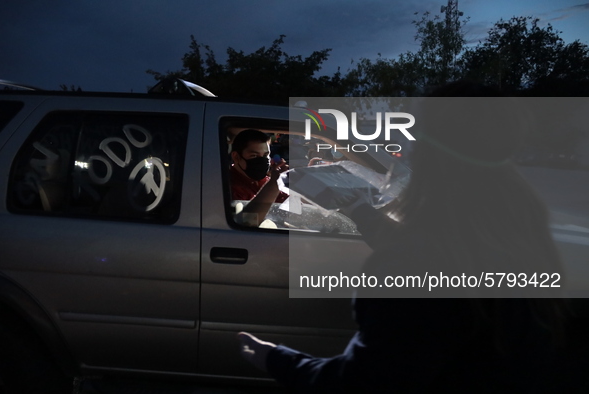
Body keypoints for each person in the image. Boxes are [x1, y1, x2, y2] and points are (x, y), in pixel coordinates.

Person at [237, 81, 575, 392]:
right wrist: (357, 210)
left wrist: (276, 359)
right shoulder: (523, 231)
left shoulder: (410, 262)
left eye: (414, 134)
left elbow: (362, 382)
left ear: (428, 153)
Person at [230, 129, 289, 226]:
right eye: (254, 156)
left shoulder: (264, 180)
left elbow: (289, 208)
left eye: (266, 155)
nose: (262, 160)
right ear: (236, 157)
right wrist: (275, 183)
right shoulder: (228, 186)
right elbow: (246, 223)